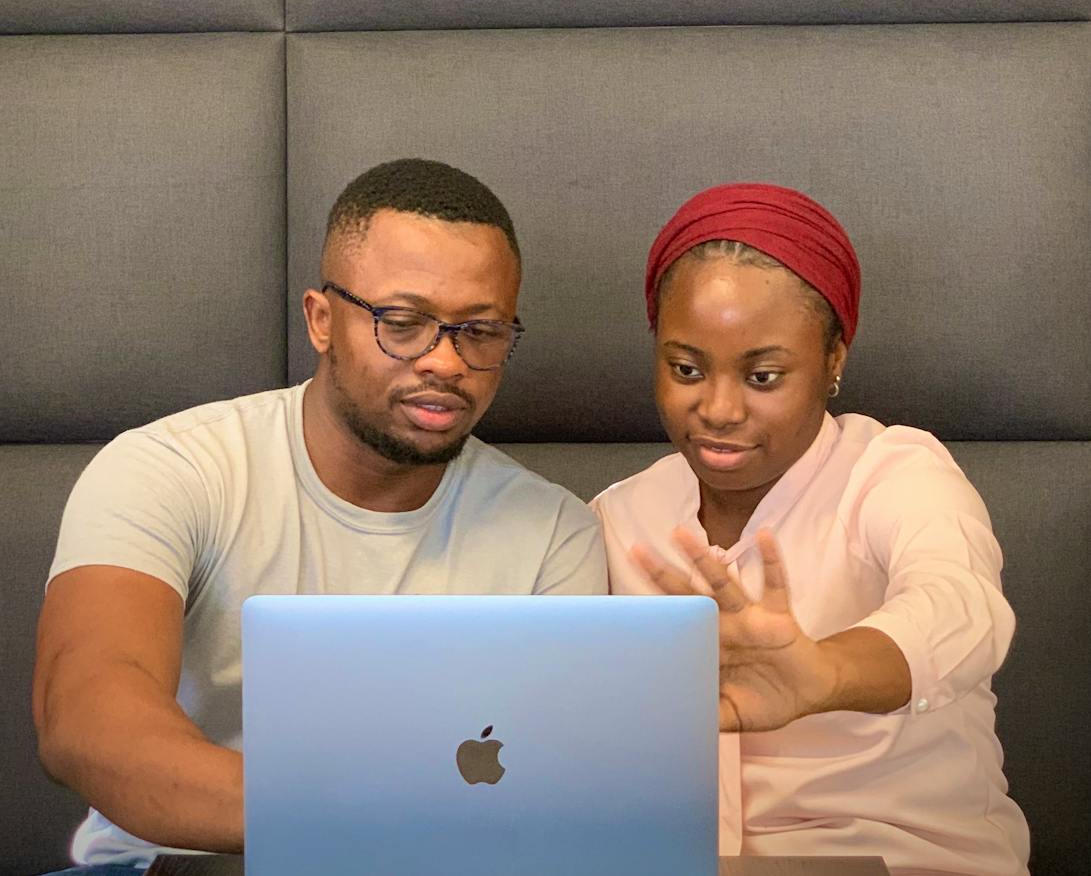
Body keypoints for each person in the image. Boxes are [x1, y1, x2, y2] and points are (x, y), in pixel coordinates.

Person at [34, 158, 607, 871]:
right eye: (403, 323)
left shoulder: (555, 534)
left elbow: (555, 786)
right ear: (321, 320)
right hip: (174, 865)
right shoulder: (171, 468)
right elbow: (84, 714)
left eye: (481, 331)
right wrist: (343, 822)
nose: (446, 361)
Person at [591, 182, 1030, 876]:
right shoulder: (617, 518)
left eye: (763, 376)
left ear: (833, 361)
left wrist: (825, 674)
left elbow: (962, 608)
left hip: (899, 860)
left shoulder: (894, 473)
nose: (719, 409)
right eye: (686, 369)